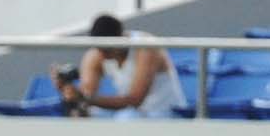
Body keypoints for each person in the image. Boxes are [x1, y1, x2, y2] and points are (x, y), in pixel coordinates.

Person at [52, 14, 183, 119]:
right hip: (135, 115)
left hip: (165, 113)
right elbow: (86, 98)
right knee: (88, 115)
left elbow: (135, 100)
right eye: (100, 49)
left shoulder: (145, 47)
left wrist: (85, 98)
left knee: (126, 117)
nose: (103, 54)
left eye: (107, 48)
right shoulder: (96, 55)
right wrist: (68, 92)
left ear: (120, 37)